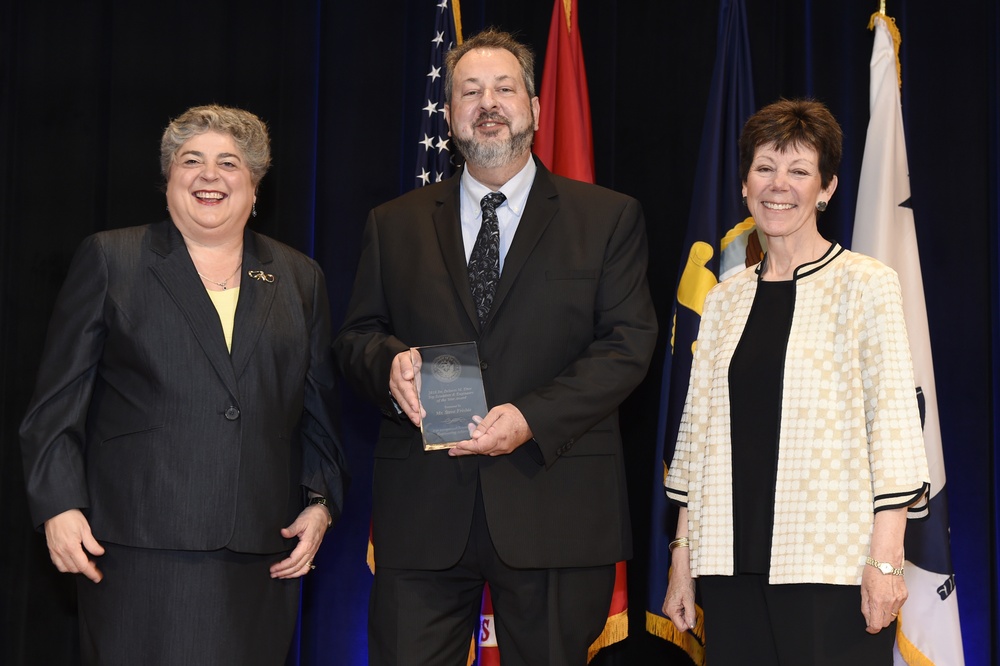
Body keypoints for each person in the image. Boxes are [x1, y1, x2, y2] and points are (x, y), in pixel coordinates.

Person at [333, 28, 657, 666]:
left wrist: (531, 417)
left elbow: (627, 344)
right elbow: (356, 337)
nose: (488, 103)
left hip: (553, 503)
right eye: (469, 91)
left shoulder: (607, 217)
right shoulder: (392, 223)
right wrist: (387, 365)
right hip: (425, 513)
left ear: (534, 107)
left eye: (504, 89)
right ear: (449, 113)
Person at [20, 104, 348, 666]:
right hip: (137, 546)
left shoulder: (299, 277)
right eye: (190, 161)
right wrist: (58, 505)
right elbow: (55, 405)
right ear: (169, 178)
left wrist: (319, 503)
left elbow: (317, 413)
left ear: (254, 185)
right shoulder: (111, 258)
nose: (208, 175)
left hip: (261, 551)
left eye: (228, 163)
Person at [661, 98, 931, 665]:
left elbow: (896, 431)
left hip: (830, 567)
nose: (778, 185)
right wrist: (682, 559)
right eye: (764, 167)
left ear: (827, 188)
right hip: (729, 565)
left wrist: (885, 563)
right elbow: (695, 441)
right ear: (743, 183)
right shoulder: (725, 297)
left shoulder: (866, 284)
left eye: (799, 170)